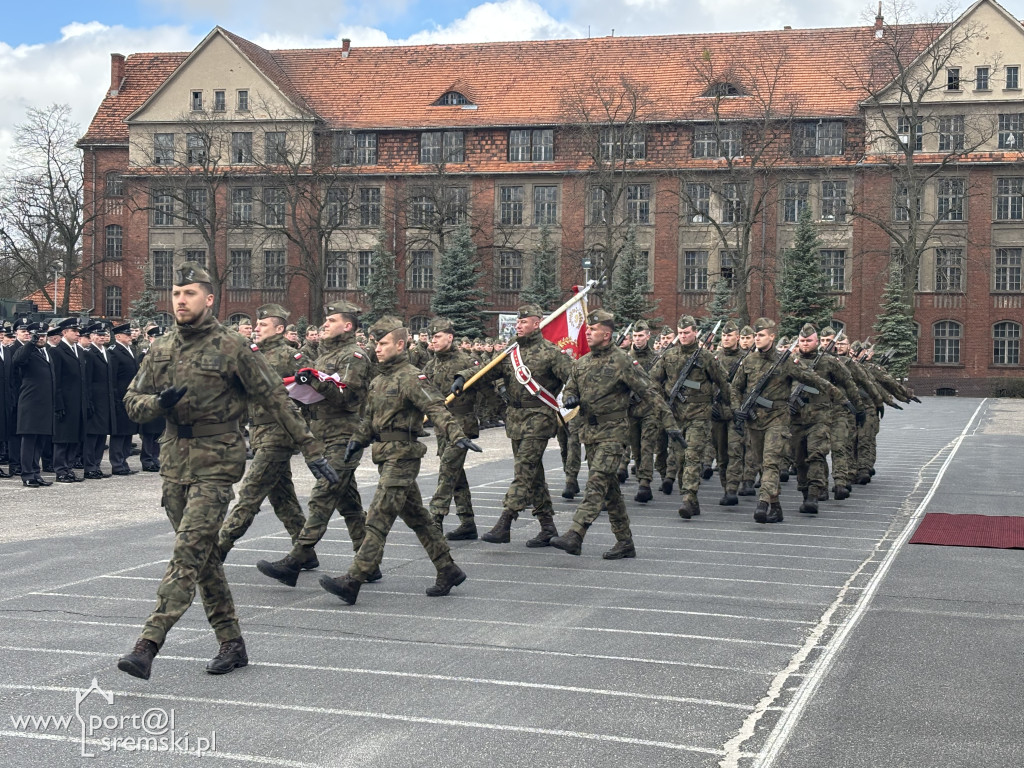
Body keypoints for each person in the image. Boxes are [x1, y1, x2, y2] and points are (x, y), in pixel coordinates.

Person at [116, 262, 337, 681]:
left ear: (210, 298)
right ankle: (232, 643)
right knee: (202, 559)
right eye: (176, 293)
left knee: (187, 554)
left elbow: (275, 399)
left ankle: (148, 644)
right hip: (174, 460)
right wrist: (158, 404)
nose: (181, 300)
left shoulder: (233, 346)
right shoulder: (161, 347)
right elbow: (131, 401)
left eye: (190, 293)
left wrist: (311, 448)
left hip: (217, 461)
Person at [318, 316, 479, 605]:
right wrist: (357, 440)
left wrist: (455, 435)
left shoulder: (410, 376)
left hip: (403, 456)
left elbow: (436, 407)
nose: (376, 349)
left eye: (383, 344)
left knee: (378, 516)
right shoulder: (379, 379)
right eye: (375, 344)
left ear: (401, 344)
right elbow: (370, 418)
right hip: (384, 454)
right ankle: (448, 569)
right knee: (419, 517)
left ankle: (354, 579)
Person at [256, 301, 374, 587]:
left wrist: (316, 383)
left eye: (331, 320)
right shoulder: (325, 354)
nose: (324, 325)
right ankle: (368, 562)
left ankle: (295, 560)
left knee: (322, 497)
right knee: (349, 503)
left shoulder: (353, 356)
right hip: (321, 436)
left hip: (343, 437)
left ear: (347, 326)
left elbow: (347, 397)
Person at [549, 309, 682, 558]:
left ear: (607, 334)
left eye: (593, 330)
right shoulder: (583, 362)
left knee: (596, 481)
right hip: (591, 434)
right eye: (587, 329)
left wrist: (670, 424)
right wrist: (570, 398)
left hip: (614, 434)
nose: (587, 333)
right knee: (610, 491)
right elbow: (568, 388)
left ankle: (576, 534)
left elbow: (649, 392)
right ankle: (625, 542)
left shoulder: (622, 360)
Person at [451, 304, 573, 547]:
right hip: (516, 419)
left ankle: (505, 521)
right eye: (518, 322)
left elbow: (573, 377)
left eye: (524, 321)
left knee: (523, 470)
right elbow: (486, 371)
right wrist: (463, 377)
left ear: (537, 323)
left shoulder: (551, 353)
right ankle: (547, 526)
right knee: (533, 474)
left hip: (539, 417)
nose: (519, 325)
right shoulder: (511, 352)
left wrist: (570, 395)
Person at [730, 318, 848, 524]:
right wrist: (736, 409)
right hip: (754, 421)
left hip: (778, 420)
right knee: (761, 465)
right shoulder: (748, 361)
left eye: (761, 335)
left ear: (772, 336)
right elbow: (735, 388)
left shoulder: (785, 361)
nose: (757, 339)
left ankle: (763, 503)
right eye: (755, 335)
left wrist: (842, 398)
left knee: (771, 462)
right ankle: (775, 506)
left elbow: (812, 378)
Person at [219, 304, 313, 562]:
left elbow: (312, 389)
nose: (256, 329)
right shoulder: (251, 354)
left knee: (250, 493)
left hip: (279, 432)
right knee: (283, 497)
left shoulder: (290, 357)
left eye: (263, 325)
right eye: (256, 325)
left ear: (279, 329)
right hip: (259, 431)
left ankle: (217, 549)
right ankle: (305, 551)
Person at [650, 315, 732, 518]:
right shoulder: (669, 356)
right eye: (681, 333)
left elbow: (723, 382)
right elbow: (652, 381)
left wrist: (734, 409)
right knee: (679, 459)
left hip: (699, 416)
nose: (684, 336)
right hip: (675, 417)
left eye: (687, 333)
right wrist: (661, 403)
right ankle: (691, 500)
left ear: (695, 332)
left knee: (692, 456)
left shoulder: (705, 357)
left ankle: (688, 497)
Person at [422, 316, 480, 540]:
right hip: (441, 427)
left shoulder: (466, 360)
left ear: (450, 337)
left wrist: (462, 376)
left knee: (447, 470)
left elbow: (483, 371)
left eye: (437, 337)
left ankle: (435, 520)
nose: (433, 341)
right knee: (456, 474)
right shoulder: (431, 364)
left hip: (461, 425)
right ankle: (467, 522)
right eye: (431, 337)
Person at [12, 323, 54, 487]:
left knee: (40, 441)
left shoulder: (46, 352)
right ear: (30, 336)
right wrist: (31, 343)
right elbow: (17, 359)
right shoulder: (27, 351)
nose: (41, 338)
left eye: (43, 336)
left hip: (45, 404)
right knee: (29, 441)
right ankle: (27, 474)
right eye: (38, 335)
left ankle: (36, 473)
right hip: (30, 403)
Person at [82, 323, 115, 479]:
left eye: (104, 335)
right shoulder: (89, 353)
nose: (102, 337)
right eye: (98, 335)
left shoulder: (106, 353)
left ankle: (97, 464)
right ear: (92, 337)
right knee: (92, 435)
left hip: (105, 400)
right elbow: (87, 380)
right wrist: (88, 401)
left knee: (102, 435)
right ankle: (89, 466)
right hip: (94, 399)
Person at [108, 323, 140, 475]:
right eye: (127, 335)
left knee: (128, 431)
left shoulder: (130, 350)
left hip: (130, 398)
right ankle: (117, 463)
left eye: (130, 334)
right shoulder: (114, 352)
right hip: (120, 397)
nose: (130, 337)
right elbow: (112, 378)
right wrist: (115, 398)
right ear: (118, 336)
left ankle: (124, 461)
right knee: (119, 432)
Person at [138, 326, 167, 471]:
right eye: (157, 338)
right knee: (149, 430)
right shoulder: (145, 354)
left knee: (159, 429)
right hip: (149, 396)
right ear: (150, 339)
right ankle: (147, 459)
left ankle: (155, 457)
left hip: (162, 396)